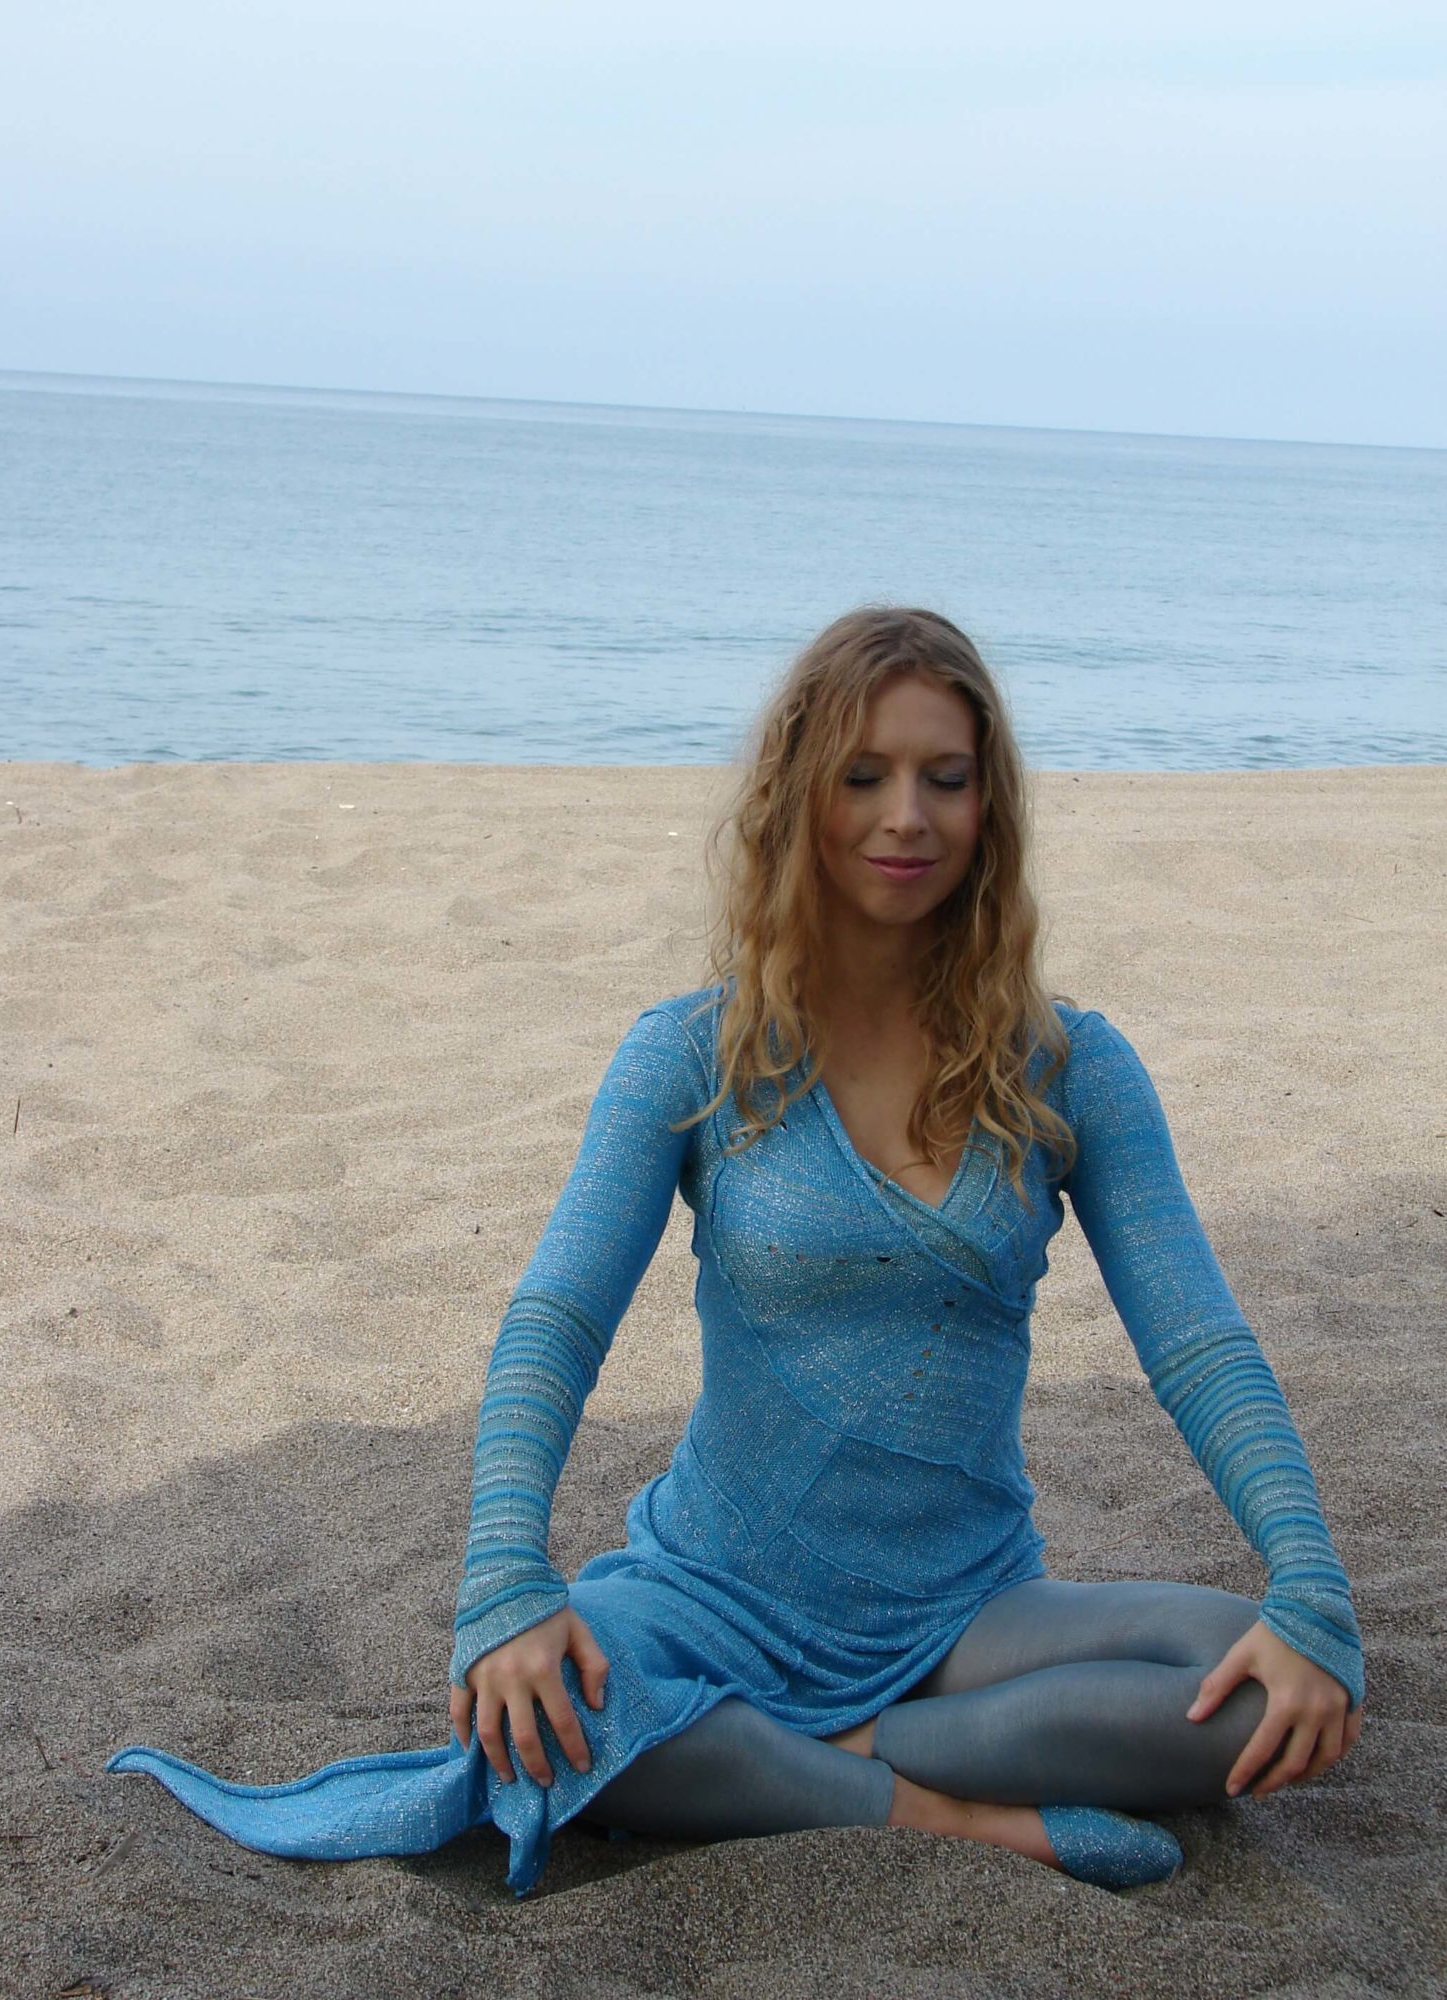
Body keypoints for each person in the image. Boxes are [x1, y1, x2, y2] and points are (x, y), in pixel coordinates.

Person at [110, 607, 1363, 1895]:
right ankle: (958, 1816)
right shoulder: (692, 1056)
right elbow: (557, 1318)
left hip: (972, 1613)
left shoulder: (1069, 1069)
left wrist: (1311, 1586)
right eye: (863, 776)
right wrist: (504, 1580)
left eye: (945, 778)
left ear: (990, 806)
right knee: (547, 1706)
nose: (906, 818)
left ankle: (807, 1763)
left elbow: (1199, 1344)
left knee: (1254, 1679)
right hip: (710, 1596)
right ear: (798, 795)